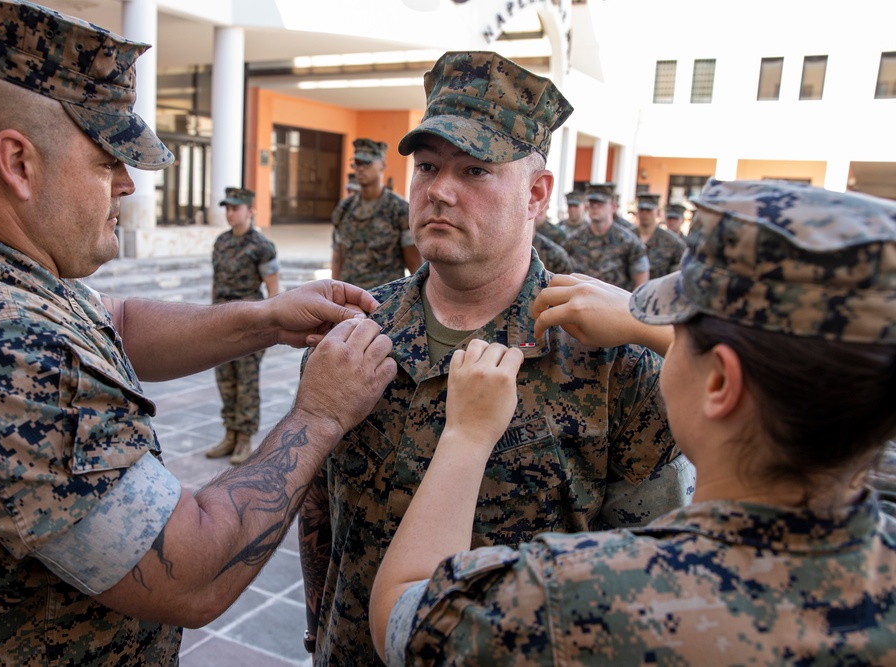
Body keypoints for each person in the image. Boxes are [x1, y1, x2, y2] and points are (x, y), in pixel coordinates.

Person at [0, 0, 399, 664]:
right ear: (19, 163)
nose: (129, 183)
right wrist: (322, 412)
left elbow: (115, 324)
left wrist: (266, 317)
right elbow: (189, 572)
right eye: (108, 159)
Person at [370, 179, 896, 665]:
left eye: (677, 333)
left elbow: (402, 613)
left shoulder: (574, 598)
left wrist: (466, 436)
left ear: (719, 383)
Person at [299, 50, 693, 667]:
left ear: (536, 194)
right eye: (427, 166)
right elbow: (320, 518)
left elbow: (653, 557)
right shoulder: (354, 331)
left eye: (476, 171)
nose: (439, 191)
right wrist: (317, 629)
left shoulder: (607, 353)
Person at [205, 187, 280, 461]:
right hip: (221, 321)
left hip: (250, 322)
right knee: (225, 380)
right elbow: (216, 282)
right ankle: (230, 435)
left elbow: (273, 290)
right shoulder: (221, 242)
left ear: (250, 211)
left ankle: (244, 439)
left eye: (235, 208)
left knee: (246, 382)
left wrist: (270, 328)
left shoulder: (261, 246)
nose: (229, 213)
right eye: (227, 208)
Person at [331, 138, 422, 289]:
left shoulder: (399, 210)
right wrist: (334, 290)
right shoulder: (345, 209)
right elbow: (337, 256)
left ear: (383, 165)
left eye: (367, 163)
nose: (360, 169)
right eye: (357, 164)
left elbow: (415, 264)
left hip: (384, 301)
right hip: (349, 299)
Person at [563, 183, 650, 291]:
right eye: (592, 202)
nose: (595, 206)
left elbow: (641, 280)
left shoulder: (628, 241)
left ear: (613, 207)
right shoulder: (574, 240)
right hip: (580, 303)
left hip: (615, 304)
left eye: (600, 203)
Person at [635, 192, 686, 277]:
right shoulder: (626, 237)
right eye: (641, 210)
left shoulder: (672, 242)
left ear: (658, 212)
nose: (644, 214)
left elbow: (680, 273)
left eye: (648, 210)